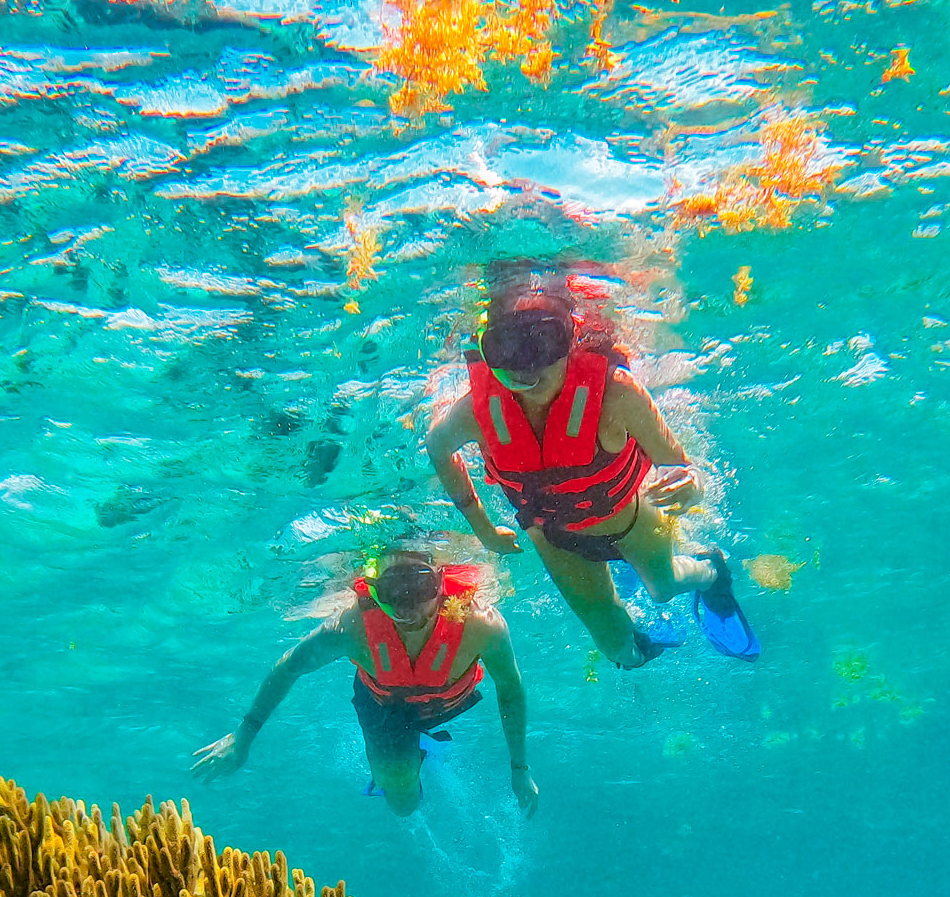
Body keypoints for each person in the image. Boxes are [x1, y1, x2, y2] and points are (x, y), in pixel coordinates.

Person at [424, 272, 756, 668]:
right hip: (555, 539)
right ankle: (639, 652)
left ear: (571, 338)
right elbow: (437, 447)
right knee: (619, 651)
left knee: (664, 587)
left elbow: (680, 465)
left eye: (544, 340)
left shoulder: (615, 393)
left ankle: (712, 571)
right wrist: (483, 528)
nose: (526, 366)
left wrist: (690, 483)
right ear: (486, 348)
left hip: (628, 520)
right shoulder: (474, 413)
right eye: (505, 346)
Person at [190, 551, 537, 817]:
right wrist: (243, 736)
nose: (407, 607)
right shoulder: (352, 627)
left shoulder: (481, 625)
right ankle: (409, 762)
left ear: (441, 582)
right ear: (374, 589)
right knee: (402, 804)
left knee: (401, 789)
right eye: (392, 591)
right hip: (380, 704)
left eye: (420, 586)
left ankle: (421, 750)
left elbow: (510, 689)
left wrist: (520, 768)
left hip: (443, 706)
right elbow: (289, 667)